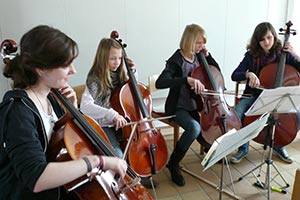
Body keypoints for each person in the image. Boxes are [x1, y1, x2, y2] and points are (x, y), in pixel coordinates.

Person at [0, 25, 127, 200]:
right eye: (66, 64)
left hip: (60, 189)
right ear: (41, 69)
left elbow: (61, 145)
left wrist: (72, 108)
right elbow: (36, 178)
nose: (73, 71)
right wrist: (98, 161)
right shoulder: (18, 112)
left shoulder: (51, 98)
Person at [80, 37, 158, 188]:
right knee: (118, 155)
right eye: (112, 59)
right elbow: (85, 106)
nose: (117, 62)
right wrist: (112, 114)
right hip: (104, 124)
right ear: (103, 58)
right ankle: (123, 185)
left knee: (139, 150)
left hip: (124, 123)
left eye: (120, 58)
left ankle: (137, 175)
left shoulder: (121, 72)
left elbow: (131, 90)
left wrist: (133, 71)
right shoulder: (95, 78)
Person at [155, 24, 221, 186]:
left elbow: (216, 72)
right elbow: (160, 82)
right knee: (194, 128)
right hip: (178, 107)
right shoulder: (176, 60)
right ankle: (174, 163)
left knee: (209, 124)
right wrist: (186, 79)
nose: (201, 46)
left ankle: (210, 149)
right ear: (189, 41)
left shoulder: (199, 56)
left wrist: (208, 56)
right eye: (198, 43)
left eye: (203, 43)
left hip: (198, 106)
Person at [230, 22, 300, 164]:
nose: (266, 42)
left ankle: (280, 145)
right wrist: (248, 74)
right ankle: (243, 147)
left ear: (274, 36)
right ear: (257, 41)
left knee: (297, 116)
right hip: (255, 96)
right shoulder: (251, 56)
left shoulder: (284, 54)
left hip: (279, 97)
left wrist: (295, 55)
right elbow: (234, 75)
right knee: (238, 112)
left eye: (269, 37)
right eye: (262, 39)